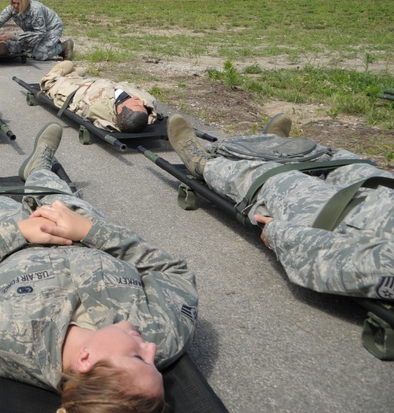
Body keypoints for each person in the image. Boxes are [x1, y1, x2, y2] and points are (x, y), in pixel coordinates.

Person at [0, 117, 197, 407]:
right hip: (82, 227)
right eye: (153, 363)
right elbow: (173, 270)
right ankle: (40, 169)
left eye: (138, 357)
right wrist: (90, 231)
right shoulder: (162, 334)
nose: (152, 349)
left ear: (85, 359)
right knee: (58, 192)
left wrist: (16, 232)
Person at [167, 113, 394, 299]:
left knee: (271, 180)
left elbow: (349, 264)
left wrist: (278, 233)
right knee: (346, 163)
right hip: (386, 202)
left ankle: (205, 164)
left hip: (350, 227)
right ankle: (278, 149)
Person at [39, 61, 157, 134]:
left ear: (120, 110)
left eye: (136, 104)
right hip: (102, 84)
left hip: (80, 90)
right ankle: (73, 75)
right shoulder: (143, 103)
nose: (140, 101)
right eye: (142, 106)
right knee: (82, 71)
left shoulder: (97, 107)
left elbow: (84, 106)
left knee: (57, 79)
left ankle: (59, 75)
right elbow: (148, 103)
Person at [0, 0, 71, 61]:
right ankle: (50, 43)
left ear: (25, 2)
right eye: (13, 3)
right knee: (28, 47)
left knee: (39, 54)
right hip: (35, 31)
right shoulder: (12, 8)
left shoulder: (35, 10)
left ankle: (63, 47)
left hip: (51, 29)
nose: (15, 6)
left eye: (18, 3)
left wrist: (13, 36)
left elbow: (40, 34)